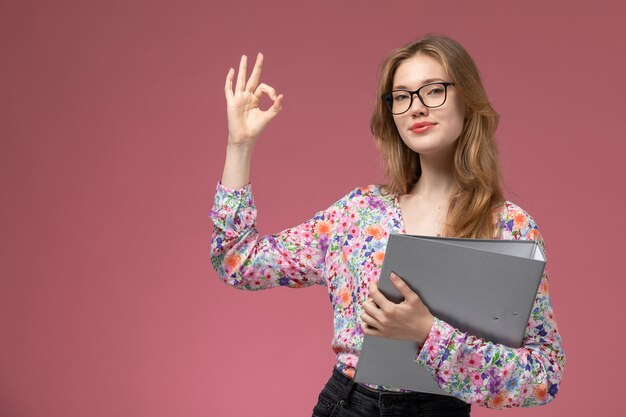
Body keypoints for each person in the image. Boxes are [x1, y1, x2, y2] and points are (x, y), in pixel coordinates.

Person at [210, 34, 565, 416]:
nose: (416, 108)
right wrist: (239, 145)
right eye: (401, 96)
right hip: (348, 406)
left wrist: (429, 333)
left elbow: (543, 375)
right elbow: (237, 261)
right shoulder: (359, 213)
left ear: (467, 100)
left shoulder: (508, 226)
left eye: (433, 90)